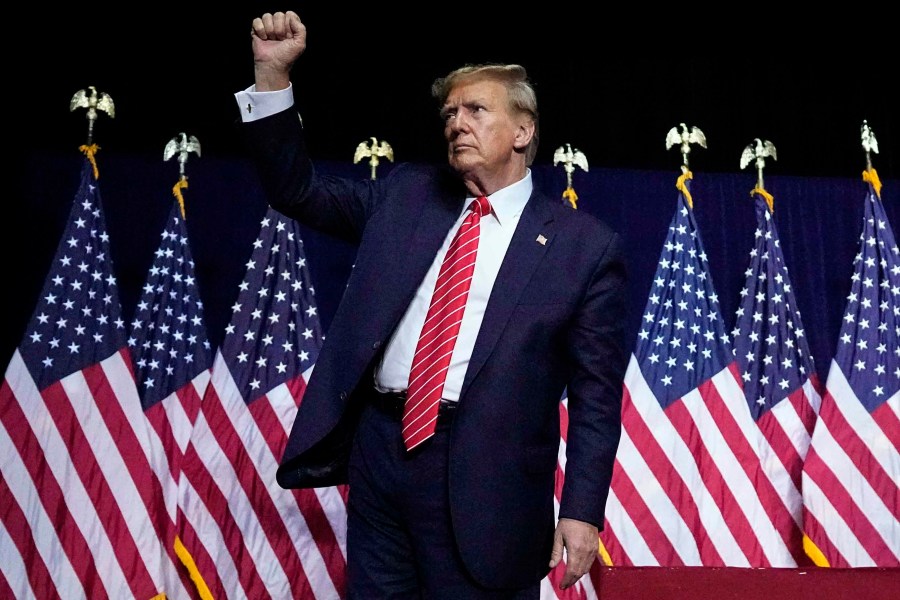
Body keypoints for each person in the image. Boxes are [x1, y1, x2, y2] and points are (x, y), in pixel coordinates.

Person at [236, 11, 628, 599]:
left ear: (523, 132)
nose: (456, 124)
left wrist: (582, 511)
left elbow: (597, 396)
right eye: (449, 113)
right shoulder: (405, 195)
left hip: (488, 482)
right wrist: (271, 78)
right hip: (382, 452)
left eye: (476, 111)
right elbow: (298, 191)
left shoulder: (583, 247)